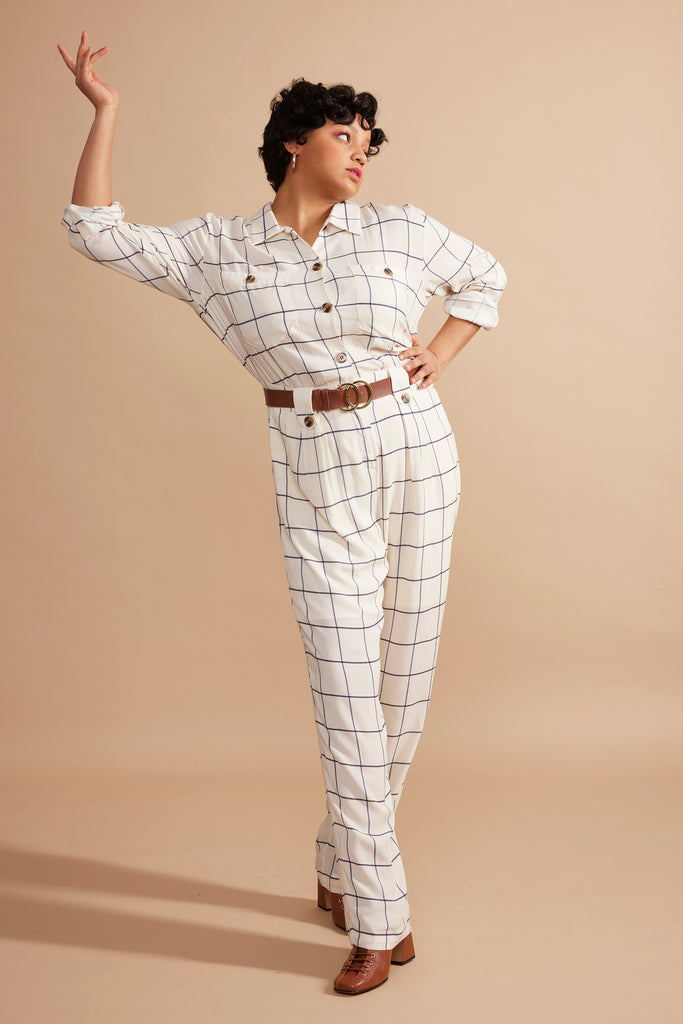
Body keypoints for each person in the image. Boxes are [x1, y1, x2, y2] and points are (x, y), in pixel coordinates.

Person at [57, 30, 507, 996]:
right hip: (311, 461)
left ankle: (342, 860)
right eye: (344, 133)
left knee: (401, 684)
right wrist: (106, 111)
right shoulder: (216, 250)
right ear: (293, 142)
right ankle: (381, 922)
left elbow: (486, 278)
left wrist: (439, 352)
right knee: (345, 689)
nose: (361, 149)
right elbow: (93, 230)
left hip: (416, 449)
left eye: (368, 139)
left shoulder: (400, 228)